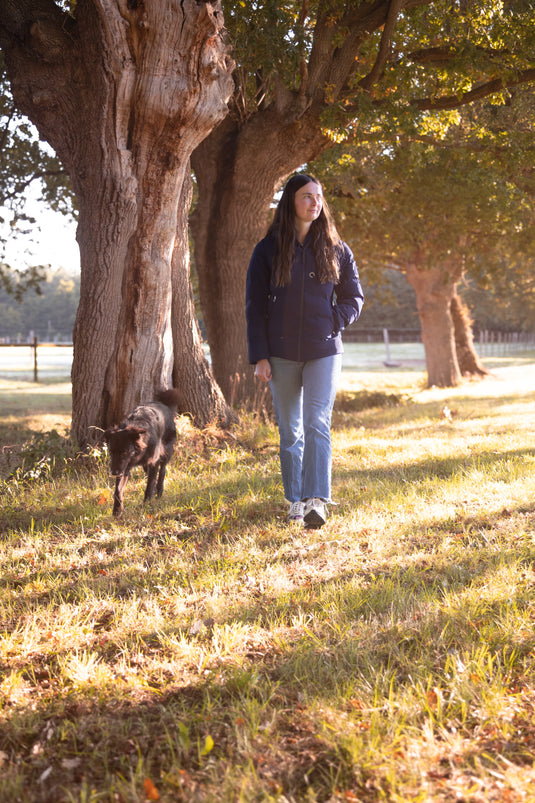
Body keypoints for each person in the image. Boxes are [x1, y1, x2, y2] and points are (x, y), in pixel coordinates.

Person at [245, 173, 364, 528]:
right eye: (306, 197)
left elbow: (354, 297)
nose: (314, 203)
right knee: (290, 431)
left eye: (318, 197)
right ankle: (294, 499)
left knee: (317, 423)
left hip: (324, 350)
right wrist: (260, 355)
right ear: (291, 203)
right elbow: (254, 307)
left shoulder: (337, 249)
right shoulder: (267, 249)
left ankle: (316, 501)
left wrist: (333, 322)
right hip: (279, 353)